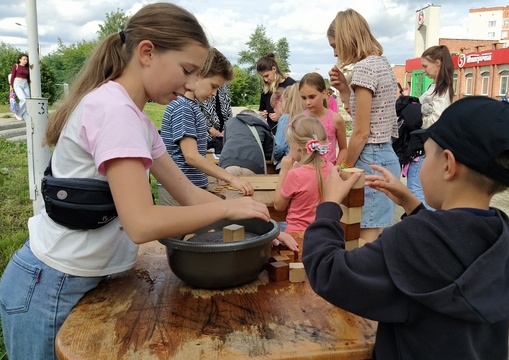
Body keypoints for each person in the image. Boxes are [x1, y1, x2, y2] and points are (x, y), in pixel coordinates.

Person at [0, 4, 294, 359]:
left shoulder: (135, 119)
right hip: (53, 285)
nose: (189, 84)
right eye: (186, 70)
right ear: (147, 52)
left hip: (78, 281)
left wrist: (262, 227)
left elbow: (186, 193)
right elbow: (141, 223)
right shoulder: (115, 112)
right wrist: (233, 206)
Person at [302, 96, 509, 359]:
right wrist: (413, 207)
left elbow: (327, 272)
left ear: (447, 164)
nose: (421, 159)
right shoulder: (502, 237)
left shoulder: (411, 241)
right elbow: (449, 252)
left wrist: (329, 205)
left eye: (425, 153)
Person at [327, 8, 401, 243]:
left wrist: (346, 166)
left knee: (363, 236)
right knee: (374, 229)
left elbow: (360, 132)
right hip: (386, 155)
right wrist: (344, 90)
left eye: (335, 45)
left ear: (348, 38)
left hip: (370, 156)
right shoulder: (381, 64)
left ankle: (359, 279)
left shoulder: (364, 68)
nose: (336, 52)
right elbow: (364, 114)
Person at [160, 47, 253, 205]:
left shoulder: (191, 106)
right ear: (198, 75)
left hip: (188, 189)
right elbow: (191, 156)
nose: (214, 94)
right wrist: (230, 178)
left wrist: (211, 171)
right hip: (179, 192)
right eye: (213, 86)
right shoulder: (183, 107)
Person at [407, 45, 455, 206]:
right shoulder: (435, 87)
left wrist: (416, 116)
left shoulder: (442, 89)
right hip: (426, 146)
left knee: (416, 191)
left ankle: (425, 227)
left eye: (425, 66)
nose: (423, 70)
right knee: (418, 190)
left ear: (437, 63)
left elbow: (436, 120)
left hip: (426, 146)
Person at [274, 114, 333, 233]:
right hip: (323, 234)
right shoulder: (330, 168)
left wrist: (284, 171)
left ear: (297, 147)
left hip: (297, 236)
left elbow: (278, 206)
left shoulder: (296, 174)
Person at [299, 72, 347, 166]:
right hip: (306, 171)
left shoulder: (335, 119)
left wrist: (336, 168)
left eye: (312, 97)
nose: (308, 102)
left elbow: (344, 149)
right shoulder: (300, 120)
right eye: (304, 98)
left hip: (329, 173)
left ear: (324, 94)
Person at [219, 109, 274, 176]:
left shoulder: (231, 122)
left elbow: (225, 143)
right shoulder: (261, 125)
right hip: (253, 165)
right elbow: (269, 152)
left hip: (228, 163)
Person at [256, 53, 296, 134]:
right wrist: (263, 115)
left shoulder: (291, 84)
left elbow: (299, 111)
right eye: (262, 77)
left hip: (289, 133)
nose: (265, 80)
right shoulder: (266, 89)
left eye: (267, 75)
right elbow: (263, 109)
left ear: (274, 69)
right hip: (271, 133)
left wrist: (281, 117)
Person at [273, 84, 305, 167]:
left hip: (288, 162)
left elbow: (280, 146)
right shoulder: (306, 118)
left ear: (286, 100)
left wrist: (275, 157)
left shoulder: (285, 119)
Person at [199, 82, 232, 153]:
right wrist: (210, 128)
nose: (214, 93)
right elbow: (198, 111)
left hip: (223, 132)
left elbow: (228, 107)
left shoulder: (225, 85)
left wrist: (226, 128)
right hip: (206, 133)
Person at [9, 53, 32, 120]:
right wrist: (11, 86)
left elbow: (28, 77)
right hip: (17, 83)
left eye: (26, 59)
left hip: (25, 84)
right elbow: (13, 76)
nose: (26, 61)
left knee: (28, 100)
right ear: (20, 60)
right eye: (24, 59)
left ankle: (24, 114)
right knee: (23, 99)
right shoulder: (16, 66)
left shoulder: (27, 68)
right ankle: (18, 113)